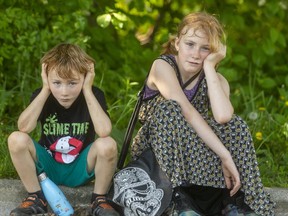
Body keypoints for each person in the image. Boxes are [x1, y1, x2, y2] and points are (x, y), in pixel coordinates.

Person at [129, 12, 275, 215]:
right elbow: (186, 111)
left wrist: (209, 67)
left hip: (193, 149)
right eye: (190, 44)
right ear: (177, 43)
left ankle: (237, 200)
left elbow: (224, 117)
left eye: (205, 48)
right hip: (157, 147)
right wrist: (225, 156)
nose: (196, 54)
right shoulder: (162, 66)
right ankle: (176, 200)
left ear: (214, 52)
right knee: (170, 109)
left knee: (236, 125)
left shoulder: (216, 79)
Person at [8, 43, 120, 216]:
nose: (64, 91)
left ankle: (99, 199)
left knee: (108, 144)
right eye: (57, 83)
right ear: (47, 78)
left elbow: (104, 131)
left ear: (84, 77)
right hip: (48, 168)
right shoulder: (43, 94)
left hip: (80, 167)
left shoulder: (94, 95)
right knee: (16, 138)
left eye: (72, 83)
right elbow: (24, 127)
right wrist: (46, 89)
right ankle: (36, 197)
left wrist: (87, 90)